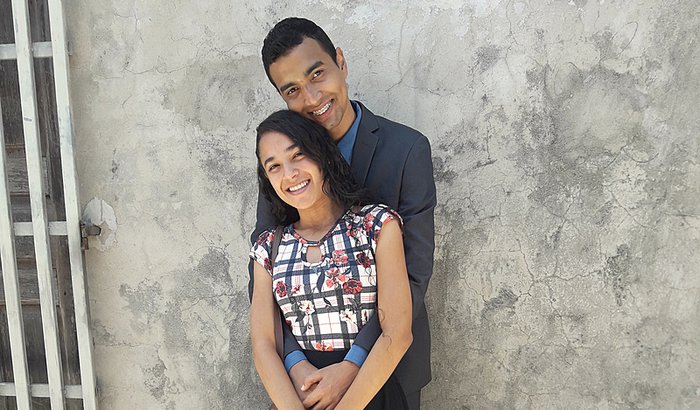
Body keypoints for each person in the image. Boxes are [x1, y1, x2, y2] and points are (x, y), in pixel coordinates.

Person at [250, 17, 436, 409]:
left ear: (341, 62)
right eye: (292, 90)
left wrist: (351, 366)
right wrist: (295, 363)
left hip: (388, 373)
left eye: (317, 74)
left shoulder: (406, 151)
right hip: (303, 383)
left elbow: (414, 274)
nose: (312, 97)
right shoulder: (282, 170)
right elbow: (265, 271)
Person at [250, 110, 413, 409]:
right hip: (298, 398)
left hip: (371, 392)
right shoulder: (268, 247)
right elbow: (263, 346)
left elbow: (397, 333)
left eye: (297, 155)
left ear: (322, 154)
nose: (289, 173)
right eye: (274, 166)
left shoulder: (376, 226)